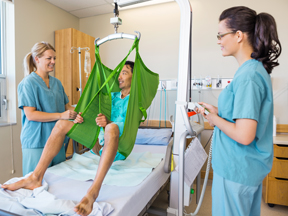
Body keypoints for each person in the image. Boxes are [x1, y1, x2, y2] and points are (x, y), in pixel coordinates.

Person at [2, 60, 135, 216]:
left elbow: (127, 126)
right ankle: (35, 177)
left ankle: (92, 192)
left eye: (124, 73)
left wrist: (108, 123)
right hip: (97, 144)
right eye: (118, 73)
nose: (119, 77)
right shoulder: (110, 96)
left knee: (112, 127)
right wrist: (82, 117)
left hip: (117, 146)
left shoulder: (135, 102)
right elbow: (94, 116)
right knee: (61, 124)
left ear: (134, 77)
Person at [196, 6, 281, 216]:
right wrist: (218, 112)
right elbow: (243, 116)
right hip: (243, 169)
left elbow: (244, 134)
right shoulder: (252, 70)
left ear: (239, 35)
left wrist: (215, 118)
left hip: (236, 169)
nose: (218, 41)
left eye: (221, 35)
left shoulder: (248, 76)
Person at [18, 42, 78, 176]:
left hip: (57, 140)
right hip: (36, 141)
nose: (53, 61)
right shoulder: (28, 83)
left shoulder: (57, 83)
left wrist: (76, 114)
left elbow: (66, 107)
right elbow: (31, 115)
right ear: (37, 59)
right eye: (49, 58)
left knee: (58, 181)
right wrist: (61, 116)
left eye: (54, 58)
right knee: (35, 182)